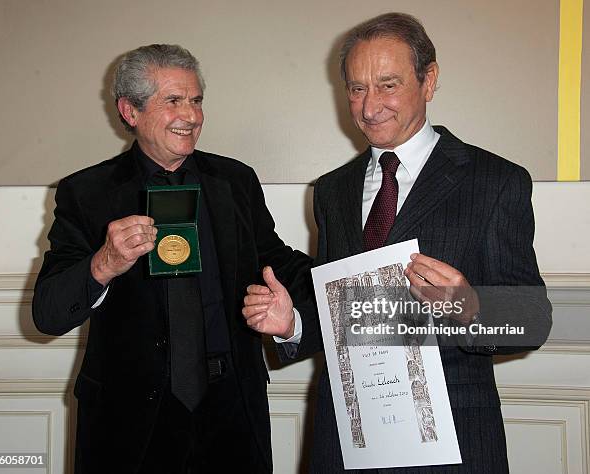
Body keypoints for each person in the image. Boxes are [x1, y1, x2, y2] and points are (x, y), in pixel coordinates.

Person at [242, 13, 552, 473]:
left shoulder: (496, 181)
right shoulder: (331, 190)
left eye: (388, 85)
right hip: (345, 437)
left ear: (430, 81)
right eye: (357, 88)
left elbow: (532, 320)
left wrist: (469, 308)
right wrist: (295, 324)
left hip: (453, 443)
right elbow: (345, 312)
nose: (369, 108)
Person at [32, 44, 310, 474]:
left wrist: (356, 274)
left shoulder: (235, 181)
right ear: (130, 111)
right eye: (174, 101)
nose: (192, 115)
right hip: (128, 427)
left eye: (196, 100)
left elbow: (276, 261)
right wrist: (103, 264)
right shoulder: (86, 193)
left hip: (232, 416)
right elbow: (48, 313)